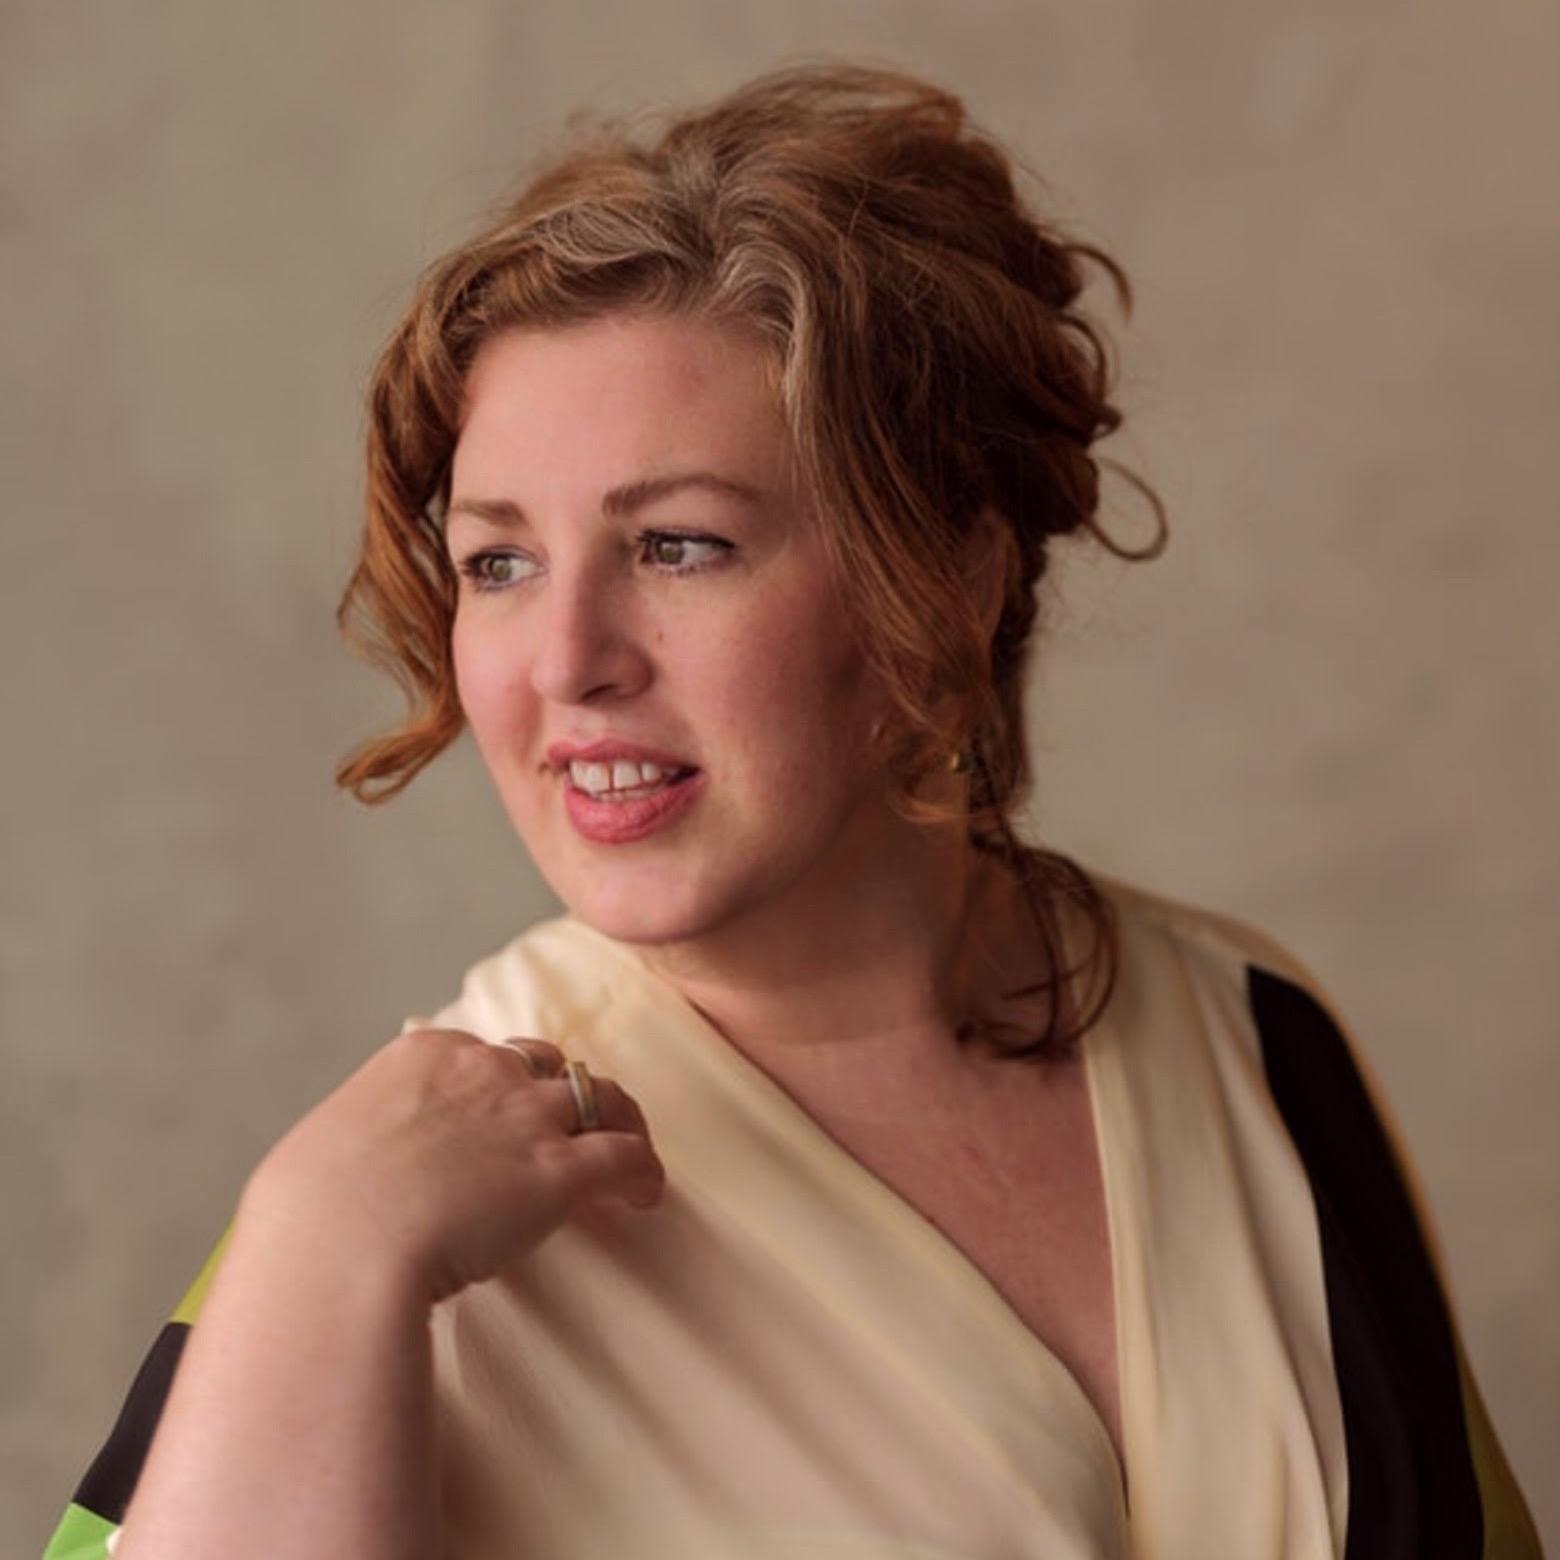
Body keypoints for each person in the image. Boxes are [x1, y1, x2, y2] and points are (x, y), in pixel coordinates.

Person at [43, 62, 1539, 1560]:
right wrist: (321, 1252)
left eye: (679, 545)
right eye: (499, 563)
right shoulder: (386, 1216)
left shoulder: (1254, 1042)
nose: (567, 661)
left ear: (949, 580)